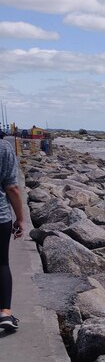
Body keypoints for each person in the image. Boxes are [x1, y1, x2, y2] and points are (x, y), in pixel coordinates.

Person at [0, 131, 25, 333]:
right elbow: (12, 188)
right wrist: (21, 218)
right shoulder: (3, 148)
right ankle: (5, 314)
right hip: (0, 217)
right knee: (1, 263)